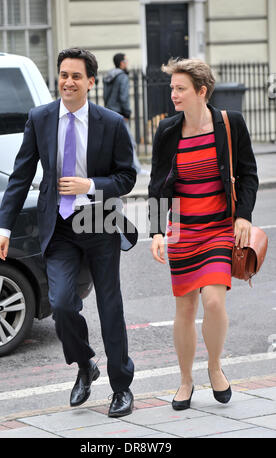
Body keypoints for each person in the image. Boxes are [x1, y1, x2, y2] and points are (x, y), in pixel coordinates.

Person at [0, 47, 137, 418]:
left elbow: (127, 177)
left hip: (99, 222)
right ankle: (85, 365)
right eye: (63, 75)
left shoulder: (112, 123)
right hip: (59, 227)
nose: (68, 82)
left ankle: (122, 387)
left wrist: (89, 184)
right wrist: (2, 226)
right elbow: (21, 175)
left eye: (76, 76)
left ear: (90, 82)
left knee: (110, 307)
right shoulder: (40, 118)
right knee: (62, 304)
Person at [148, 58, 258, 410]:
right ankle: (184, 380)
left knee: (212, 301)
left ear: (201, 91)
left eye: (180, 89)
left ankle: (214, 367)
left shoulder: (229, 124)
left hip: (218, 229)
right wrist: (156, 231)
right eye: (172, 89)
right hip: (181, 228)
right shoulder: (167, 131)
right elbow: (156, 186)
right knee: (185, 306)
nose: (174, 95)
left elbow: (249, 174)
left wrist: (243, 217)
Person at [103, 53, 148, 175]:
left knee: (111, 143)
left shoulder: (108, 76)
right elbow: (124, 97)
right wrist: (126, 113)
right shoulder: (122, 77)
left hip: (109, 112)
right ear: (122, 63)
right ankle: (136, 169)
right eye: (126, 60)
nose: (127, 62)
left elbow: (105, 96)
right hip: (120, 114)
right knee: (129, 142)